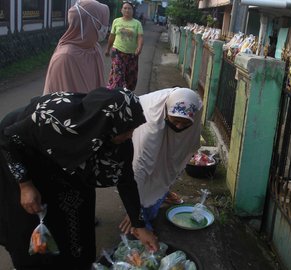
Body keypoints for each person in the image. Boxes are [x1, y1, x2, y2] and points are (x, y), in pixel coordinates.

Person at [0, 88, 159, 269]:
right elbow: (7, 138)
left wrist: (139, 225)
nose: (130, 135)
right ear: (104, 123)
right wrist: (25, 185)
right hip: (24, 156)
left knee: (76, 210)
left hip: (70, 163)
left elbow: (126, 180)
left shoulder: (115, 134)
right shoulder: (55, 120)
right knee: (33, 214)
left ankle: (75, 260)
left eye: (133, 129)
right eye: (128, 130)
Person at [119, 87, 203, 232]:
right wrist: (133, 211)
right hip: (149, 122)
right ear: (167, 112)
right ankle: (143, 201)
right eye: (176, 120)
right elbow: (141, 165)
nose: (179, 126)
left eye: (185, 123)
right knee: (147, 166)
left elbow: (179, 155)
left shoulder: (196, 106)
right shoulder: (149, 123)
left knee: (171, 161)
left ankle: (162, 191)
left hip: (164, 120)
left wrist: (165, 184)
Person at [43, 0, 110, 95]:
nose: (105, 27)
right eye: (101, 22)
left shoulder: (94, 47)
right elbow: (64, 103)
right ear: (89, 22)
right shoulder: (65, 56)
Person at [105, 1, 144, 91]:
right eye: (125, 8)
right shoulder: (116, 21)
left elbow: (140, 37)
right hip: (117, 51)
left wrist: (139, 47)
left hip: (132, 54)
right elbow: (112, 36)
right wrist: (108, 49)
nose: (127, 10)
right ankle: (116, 95)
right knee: (118, 75)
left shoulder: (137, 23)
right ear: (121, 10)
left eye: (129, 8)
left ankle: (127, 95)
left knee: (130, 77)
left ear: (132, 11)